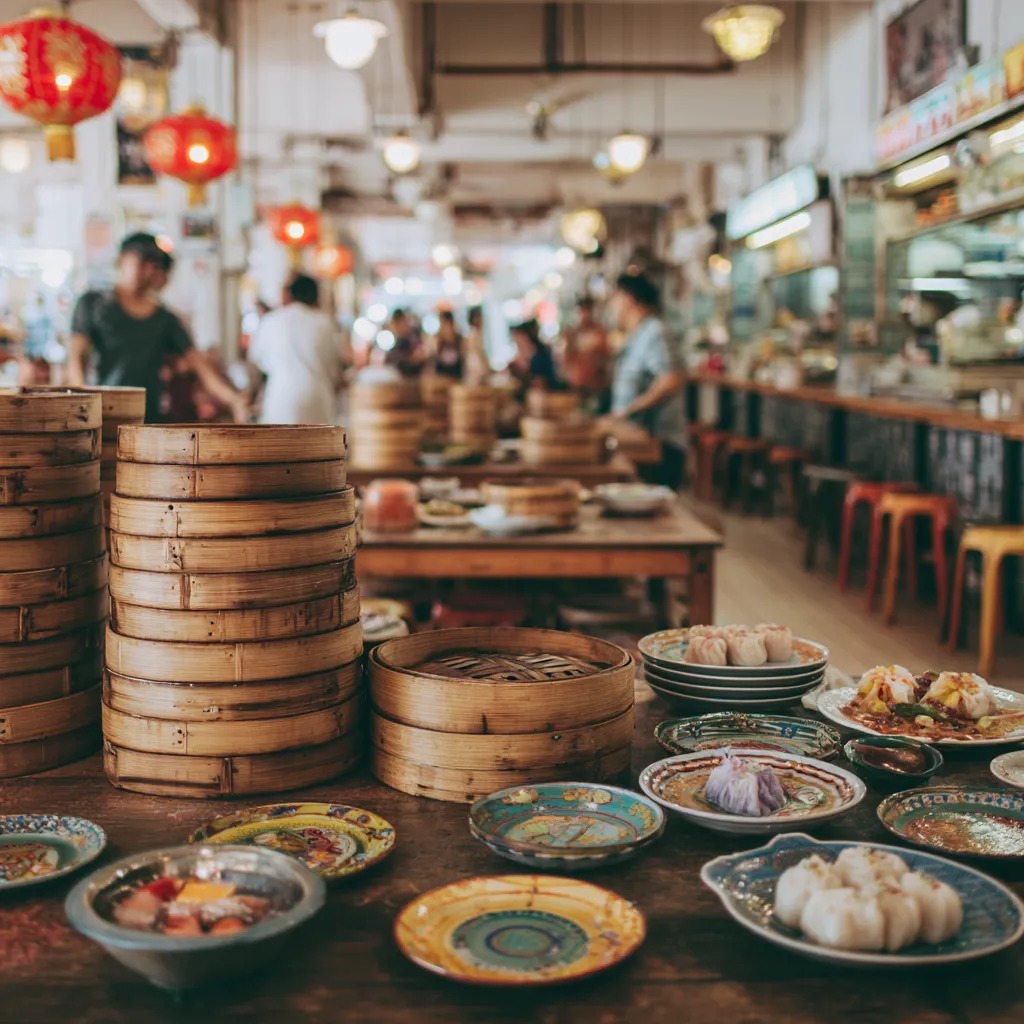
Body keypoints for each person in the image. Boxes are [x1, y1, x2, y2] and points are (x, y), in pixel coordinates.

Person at [67, 233, 248, 423]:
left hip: (148, 417)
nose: (147, 271)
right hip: (101, 414)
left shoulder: (165, 319)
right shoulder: (92, 304)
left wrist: (233, 399)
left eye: (152, 265)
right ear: (121, 259)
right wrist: (82, 403)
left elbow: (199, 365)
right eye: (141, 262)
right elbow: (76, 355)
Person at [604, 272, 687, 488]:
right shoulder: (637, 334)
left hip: (657, 446)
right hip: (636, 443)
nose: (611, 305)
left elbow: (672, 380)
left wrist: (629, 410)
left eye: (614, 298)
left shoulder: (654, 332)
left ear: (628, 298)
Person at [248, 273, 342, 424]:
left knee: (280, 446)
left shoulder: (271, 321)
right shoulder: (324, 324)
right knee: (317, 446)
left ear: (290, 295)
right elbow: (334, 369)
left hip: (279, 400)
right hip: (317, 401)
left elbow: (256, 363)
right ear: (316, 297)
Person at [560, 296, 610, 401]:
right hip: (575, 386)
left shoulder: (600, 333)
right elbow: (565, 359)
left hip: (596, 385)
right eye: (582, 311)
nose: (584, 315)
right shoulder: (571, 334)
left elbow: (605, 358)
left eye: (587, 311)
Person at [509, 319, 559, 393]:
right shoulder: (524, 359)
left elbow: (539, 385)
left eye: (520, 344)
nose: (519, 349)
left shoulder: (540, 358)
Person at [429, 310, 464, 378]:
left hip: (456, 378)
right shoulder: (438, 341)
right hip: (440, 378)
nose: (442, 327)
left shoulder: (459, 340)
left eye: (444, 323)